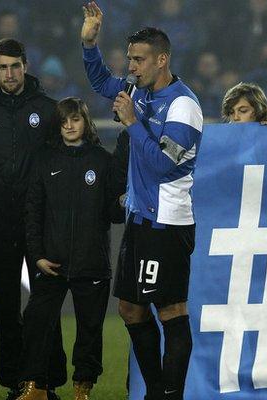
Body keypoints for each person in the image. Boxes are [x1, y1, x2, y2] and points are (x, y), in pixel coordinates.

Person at [80, 2, 202, 399]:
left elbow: (164, 167)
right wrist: (89, 43)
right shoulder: (137, 90)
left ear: (162, 59)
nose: (131, 67)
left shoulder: (183, 106)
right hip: (141, 218)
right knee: (130, 309)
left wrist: (132, 123)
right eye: (129, 59)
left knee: (170, 311)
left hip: (167, 221)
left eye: (139, 59)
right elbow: (101, 83)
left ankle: (170, 395)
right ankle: (157, 391)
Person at [0, 38, 66, 400]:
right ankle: (15, 384)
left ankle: (46, 383)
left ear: (25, 66)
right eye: (2, 67)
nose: (9, 74)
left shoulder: (49, 110)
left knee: (45, 307)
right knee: (5, 309)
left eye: (15, 66)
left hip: (41, 227)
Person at [18, 97, 116, 400]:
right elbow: (32, 212)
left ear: (85, 121)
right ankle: (37, 386)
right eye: (63, 121)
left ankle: (82, 389)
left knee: (90, 330)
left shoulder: (103, 160)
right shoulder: (44, 160)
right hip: (52, 263)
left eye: (75, 119)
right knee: (36, 322)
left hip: (92, 263)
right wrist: (37, 256)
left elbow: (114, 212)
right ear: (57, 125)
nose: (69, 126)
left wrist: (129, 201)